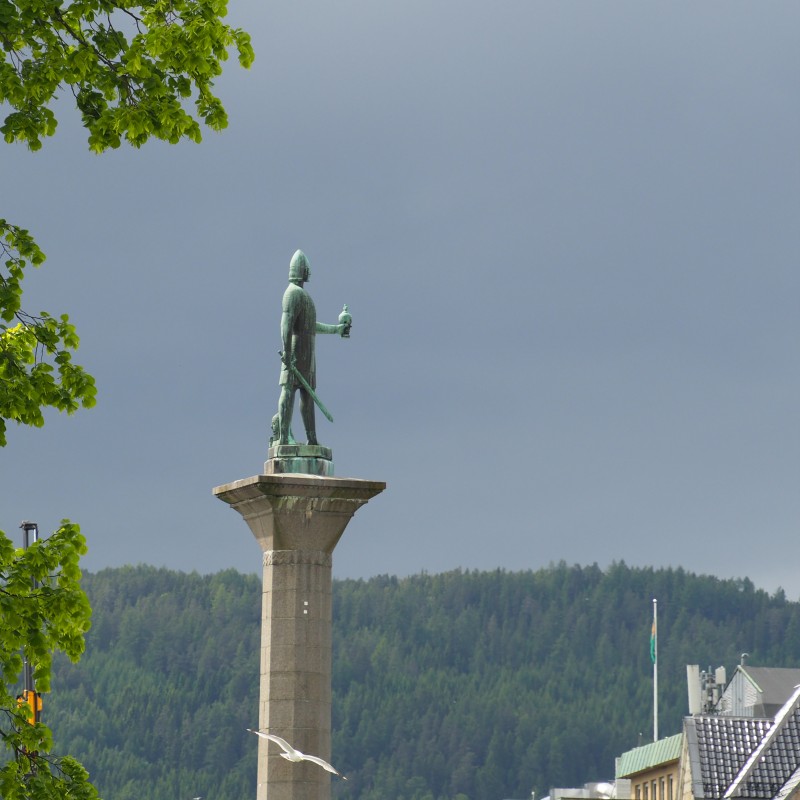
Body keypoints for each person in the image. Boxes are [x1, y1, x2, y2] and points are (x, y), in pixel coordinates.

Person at [277, 250, 348, 446]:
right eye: (307, 269)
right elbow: (286, 325)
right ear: (302, 270)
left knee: (307, 396)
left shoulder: (303, 295)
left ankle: (312, 438)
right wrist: (287, 353)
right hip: (295, 351)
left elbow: (310, 326)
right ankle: (283, 437)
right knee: (289, 391)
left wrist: (336, 330)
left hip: (308, 354)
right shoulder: (292, 294)